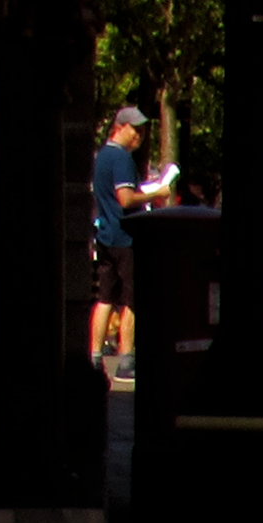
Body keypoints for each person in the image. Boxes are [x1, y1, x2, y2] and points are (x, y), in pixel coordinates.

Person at [88, 106, 153, 374]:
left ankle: (93, 356)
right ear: (120, 127)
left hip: (105, 234)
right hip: (125, 236)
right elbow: (125, 198)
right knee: (131, 300)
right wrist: (154, 193)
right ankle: (126, 359)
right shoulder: (122, 159)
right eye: (135, 130)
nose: (139, 136)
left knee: (104, 297)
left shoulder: (100, 156)